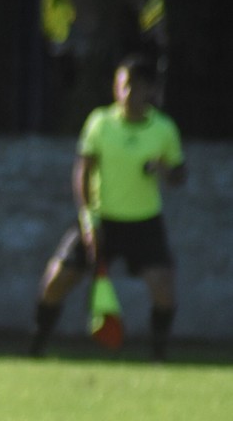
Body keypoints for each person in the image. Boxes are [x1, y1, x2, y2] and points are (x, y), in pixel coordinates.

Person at [29, 54, 186, 360]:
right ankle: (36, 349)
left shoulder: (163, 129)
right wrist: (88, 220)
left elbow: (180, 174)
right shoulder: (100, 123)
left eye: (135, 87)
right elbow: (82, 173)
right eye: (122, 86)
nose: (127, 94)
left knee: (163, 288)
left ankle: (159, 356)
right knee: (55, 280)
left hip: (144, 222)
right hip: (101, 219)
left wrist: (165, 171)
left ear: (149, 90)